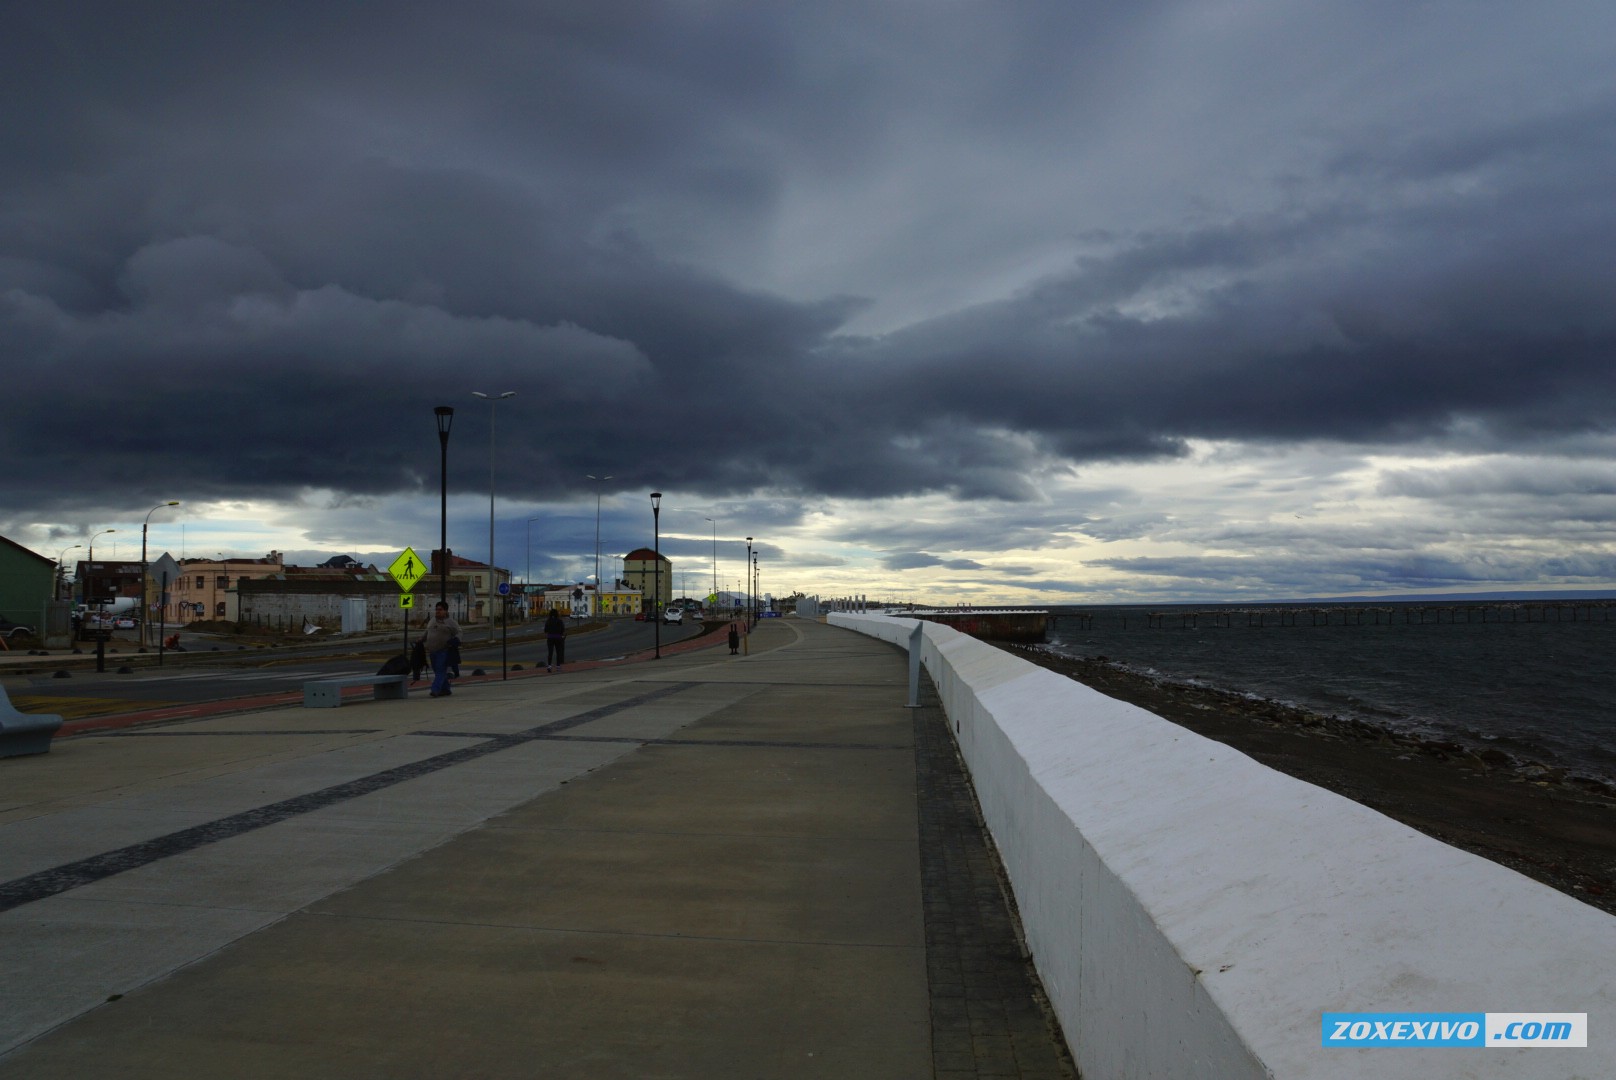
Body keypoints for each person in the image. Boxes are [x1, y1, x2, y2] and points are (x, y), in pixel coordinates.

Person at [422, 601, 461, 698]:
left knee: (440, 670)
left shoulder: (450, 622)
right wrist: (421, 639)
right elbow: (427, 632)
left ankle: (435, 689)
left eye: (440, 610)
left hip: (443, 651)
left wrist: (456, 640)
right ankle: (446, 689)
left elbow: (459, 632)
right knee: (437, 670)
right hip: (432, 651)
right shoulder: (432, 620)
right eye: (436, 609)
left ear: (446, 611)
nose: (437, 611)